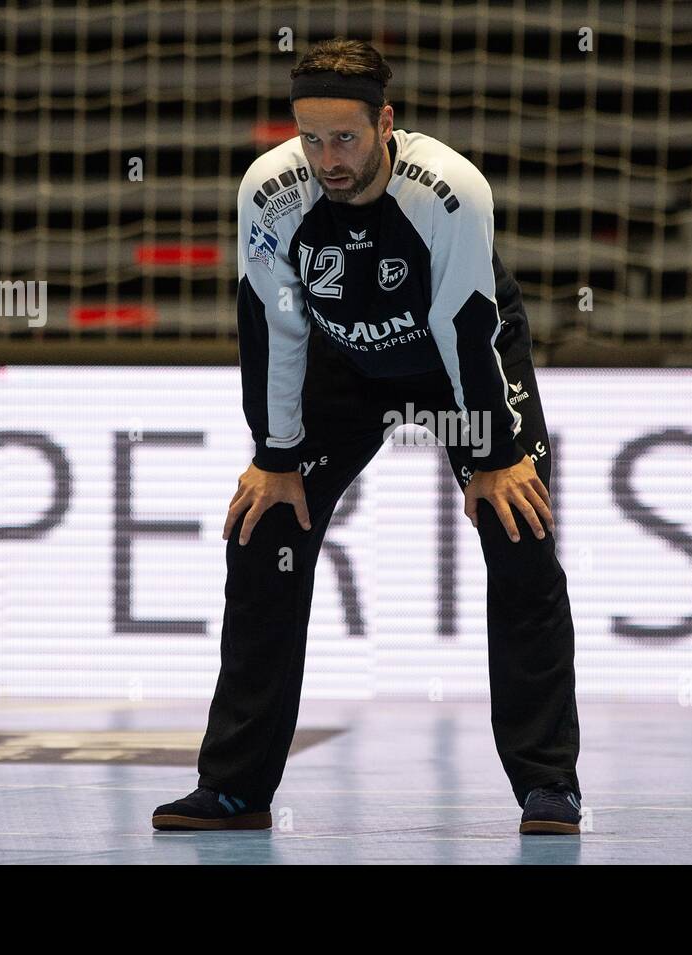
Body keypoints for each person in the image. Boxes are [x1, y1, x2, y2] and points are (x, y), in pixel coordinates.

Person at [152, 38, 582, 835]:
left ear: (386, 122)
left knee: (520, 531)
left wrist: (490, 456)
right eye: (309, 138)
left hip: (458, 361)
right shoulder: (273, 192)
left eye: (344, 138)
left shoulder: (449, 191)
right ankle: (236, 787)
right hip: (344, 365)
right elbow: (270, 323)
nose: (326, 159)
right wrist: (274, 457)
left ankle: (548, 784)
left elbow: (467, 323)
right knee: (264, 531)